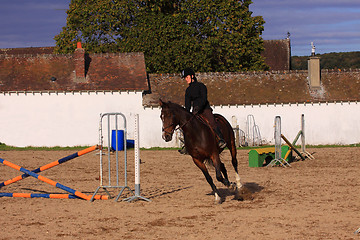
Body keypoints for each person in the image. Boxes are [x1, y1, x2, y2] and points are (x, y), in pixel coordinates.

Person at [178, 68, 226, 154]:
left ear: (192, 76)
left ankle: (220, 140)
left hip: (205, 109)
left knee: (212, 122)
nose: (186, 79)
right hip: (194, 111)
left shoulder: (201, 86)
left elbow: (204, 99)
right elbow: (187, 104)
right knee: (187, 126)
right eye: (185, 78)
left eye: (187, 77)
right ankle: (186, 146)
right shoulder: (188, 90)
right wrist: (186, 114)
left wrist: (198, 108)